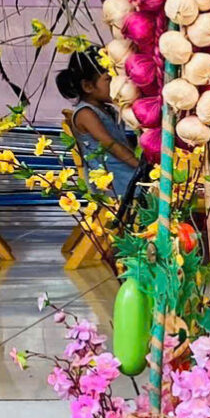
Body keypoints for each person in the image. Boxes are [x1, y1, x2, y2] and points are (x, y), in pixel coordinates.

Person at [54, 49, 149, 262]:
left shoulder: (107, 109)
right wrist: (139, 167)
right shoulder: (86, 113)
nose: (116, 84)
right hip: (111, 178)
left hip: (120, 171)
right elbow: (111, 145)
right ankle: (134, 243)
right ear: (88, 86)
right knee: (151, 189)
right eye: (109, 79)